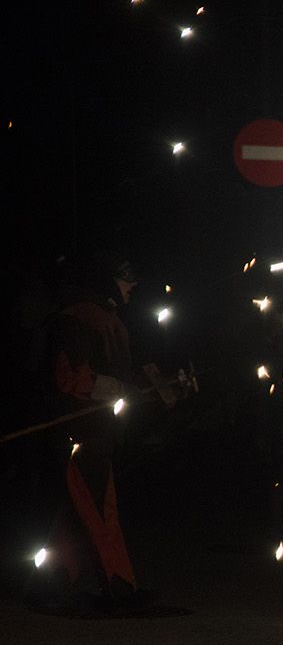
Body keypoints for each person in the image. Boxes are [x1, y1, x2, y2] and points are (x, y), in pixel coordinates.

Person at [26, 255, 173, 615]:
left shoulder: (109, 320)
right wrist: (121, 388)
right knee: (100, 509)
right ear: (105, 279)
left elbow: (118, 376)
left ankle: (51, 582)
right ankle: (119, 588)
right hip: (80, 434)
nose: (133, 285)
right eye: (126, 278)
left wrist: (157, 388)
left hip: (98, 432)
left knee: (77, 512)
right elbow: (70, 378)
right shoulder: (77, 318)